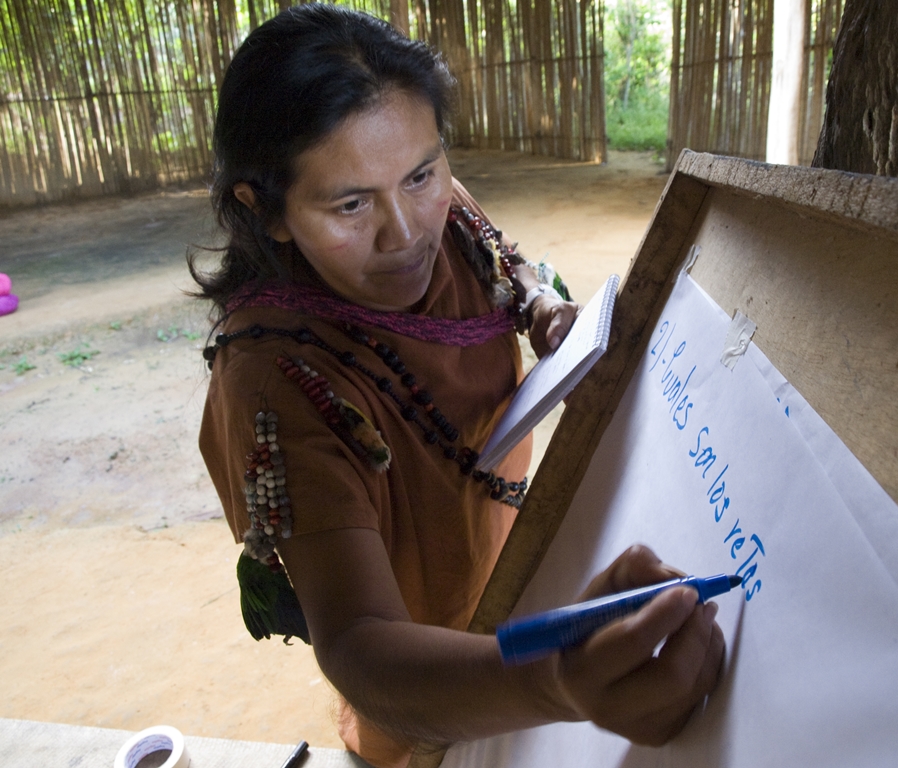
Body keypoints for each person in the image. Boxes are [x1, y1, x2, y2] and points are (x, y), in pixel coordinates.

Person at [191, 5, 725, 767]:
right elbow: (360, 645)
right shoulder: (280, 383)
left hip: (508, 572)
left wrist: (541, 309)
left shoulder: (442, 211)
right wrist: (552, 682)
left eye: (421, 175)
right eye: (350, 204)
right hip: (426, 691)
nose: (408, 231)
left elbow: (503, 261)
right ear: (265, 210)